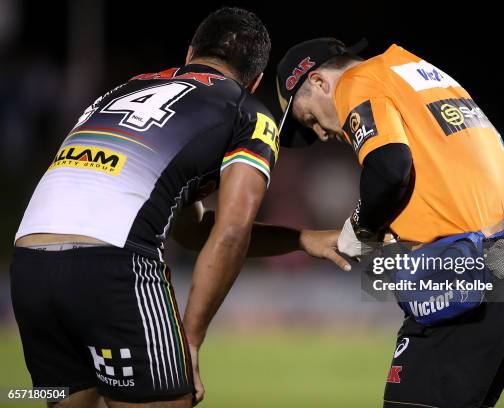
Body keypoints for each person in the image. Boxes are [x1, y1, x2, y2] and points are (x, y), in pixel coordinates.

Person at [10, 10, 347, 408]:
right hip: (113, 264)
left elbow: (191, 231)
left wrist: (302, 240)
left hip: (28, 265)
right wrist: (190, 341)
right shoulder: (247, 111)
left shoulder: (119, 92)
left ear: (190, 53)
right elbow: (232, 229)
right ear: (255, 80)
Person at [276, 38, 504, 408]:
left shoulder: (359, 80)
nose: (320, 134)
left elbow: (389, 169)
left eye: (309, 119)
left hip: (466, 285)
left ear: (321, 82)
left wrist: (360, 229)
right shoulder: (424, 77)